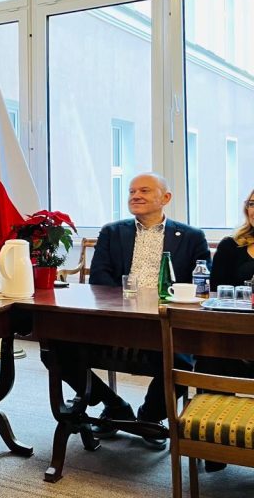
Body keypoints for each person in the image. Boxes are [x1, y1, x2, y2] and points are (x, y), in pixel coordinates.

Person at [59, 172, 209, 444]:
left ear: (165, 198)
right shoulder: (112, 232)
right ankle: (114, 405)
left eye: (144, 191)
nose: (135, 196)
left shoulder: (191, 237)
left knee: (183, 358)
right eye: (131, 191)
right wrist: (129, 305)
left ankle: (150, 416)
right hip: (117, 321)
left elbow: (200, 287)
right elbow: (100, 280)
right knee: (55, 349)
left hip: (166, 324)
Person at [199, 189, 254, 472]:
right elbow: (215, 291)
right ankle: (214, 448)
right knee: (207, 357)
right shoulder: (230, 245)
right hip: (233, 333)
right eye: (253, 203)